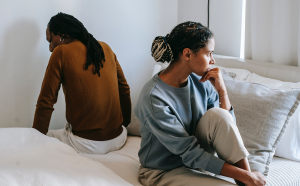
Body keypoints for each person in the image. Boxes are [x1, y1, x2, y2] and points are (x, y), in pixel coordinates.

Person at [134, 21, 266, 186]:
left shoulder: (201, 81)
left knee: (219, 114)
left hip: (196, 163)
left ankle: (248, 182)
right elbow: (190, 152)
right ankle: (247, 180)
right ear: (187, 54)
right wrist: (244, 176)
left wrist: (222, 91)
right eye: (209, 53)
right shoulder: (154, 97)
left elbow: (226, 129)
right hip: (163, 171)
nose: (213, 60)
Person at [32, 12, 131, 155]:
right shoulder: (106, 48)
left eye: (50, 40)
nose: (50, 48)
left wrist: (34, 141)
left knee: (48, 137)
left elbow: (46, 102)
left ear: (60, 34)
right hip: (119, 139)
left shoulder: (61, 52)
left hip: (87, 145)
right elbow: (124, 89)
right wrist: (124, 125)